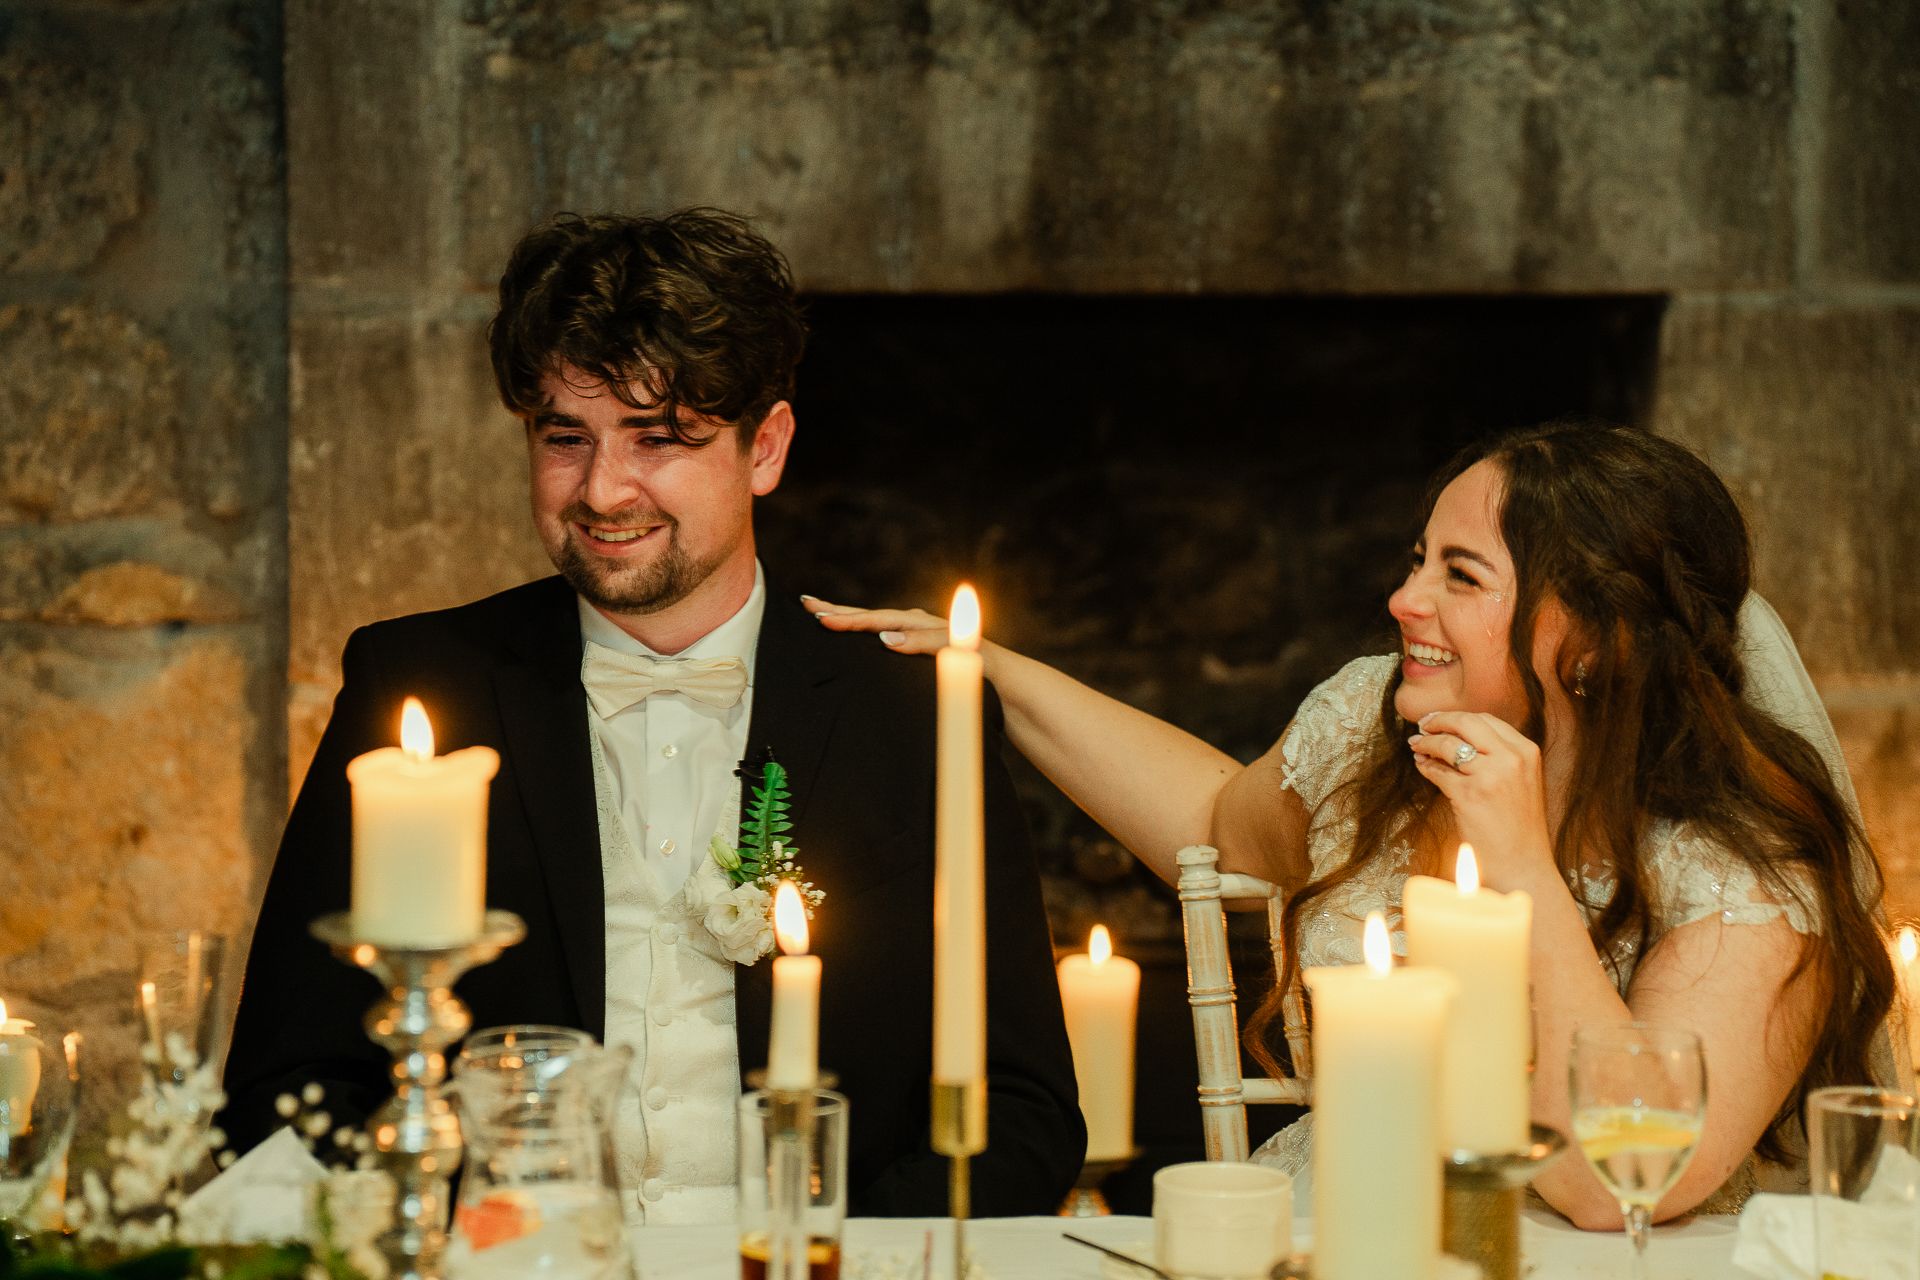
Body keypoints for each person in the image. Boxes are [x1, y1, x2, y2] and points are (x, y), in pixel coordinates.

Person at [807, 421, 1902, 1225]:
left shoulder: (1750, 864)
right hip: (1342, 1224)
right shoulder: (1376, 744)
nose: (1404, 600)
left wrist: (1519, 859)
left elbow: (1607, 1181)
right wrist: (980, 673)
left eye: (1458, 574)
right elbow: (1210, 824)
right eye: (1414, 560)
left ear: (1595, 634)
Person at [220, 209, 1085, 1223]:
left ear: (764, 447)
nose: (602, 489)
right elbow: (283, 1089)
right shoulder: (415, 684)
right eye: (564, 437)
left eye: (658, 437)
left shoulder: (911, 705)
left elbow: (1025, 1113)